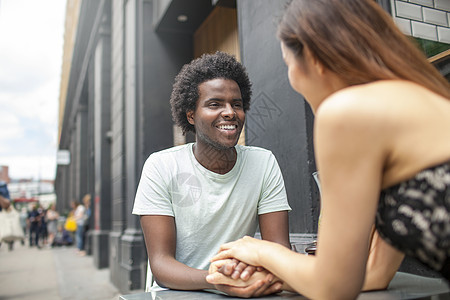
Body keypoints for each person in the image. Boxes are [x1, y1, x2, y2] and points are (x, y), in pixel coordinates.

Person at [206, 0, 450, 299]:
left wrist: (257, 250)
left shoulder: (347, 112)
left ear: (312, 57)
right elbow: (372, 274)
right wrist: (271, 277)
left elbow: (335, 287)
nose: (292, 80)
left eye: (288, 65)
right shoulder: (424, 102)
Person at [132, 51, 292, 297]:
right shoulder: (161, 166)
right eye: (215, 104)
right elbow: (161, 264)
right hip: (176, 293)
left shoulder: (263, 163)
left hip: (243, 288)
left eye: (236, 104)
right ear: (191, 116)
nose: (230, 112)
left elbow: (279, 251)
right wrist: (218, 281)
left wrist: (248, 278)